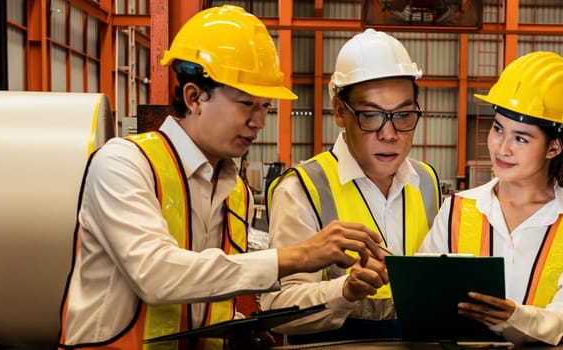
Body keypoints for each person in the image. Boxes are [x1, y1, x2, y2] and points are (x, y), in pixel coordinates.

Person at [58, 6, 387, 349]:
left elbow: (210, 290)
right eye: (246, 104)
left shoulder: (237, 192)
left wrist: (239, 328)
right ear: (194, 97)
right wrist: (299, 256)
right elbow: (155, 275)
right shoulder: (124, 164)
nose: (259, 121)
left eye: (265, 107)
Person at [260, 29, 442, 342]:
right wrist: (343, 291)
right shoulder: (303, 188)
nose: (389, 133)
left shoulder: (426, 181)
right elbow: (277, 310)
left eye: (403, 114)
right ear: (340, 112)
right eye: (371, 115)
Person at [418, 51, 563, 345]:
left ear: (554, 147)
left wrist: (513, 317)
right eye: (497, 129)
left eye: (521, 138)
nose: (502, 148)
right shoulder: (456, 209)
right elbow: (423, 297)